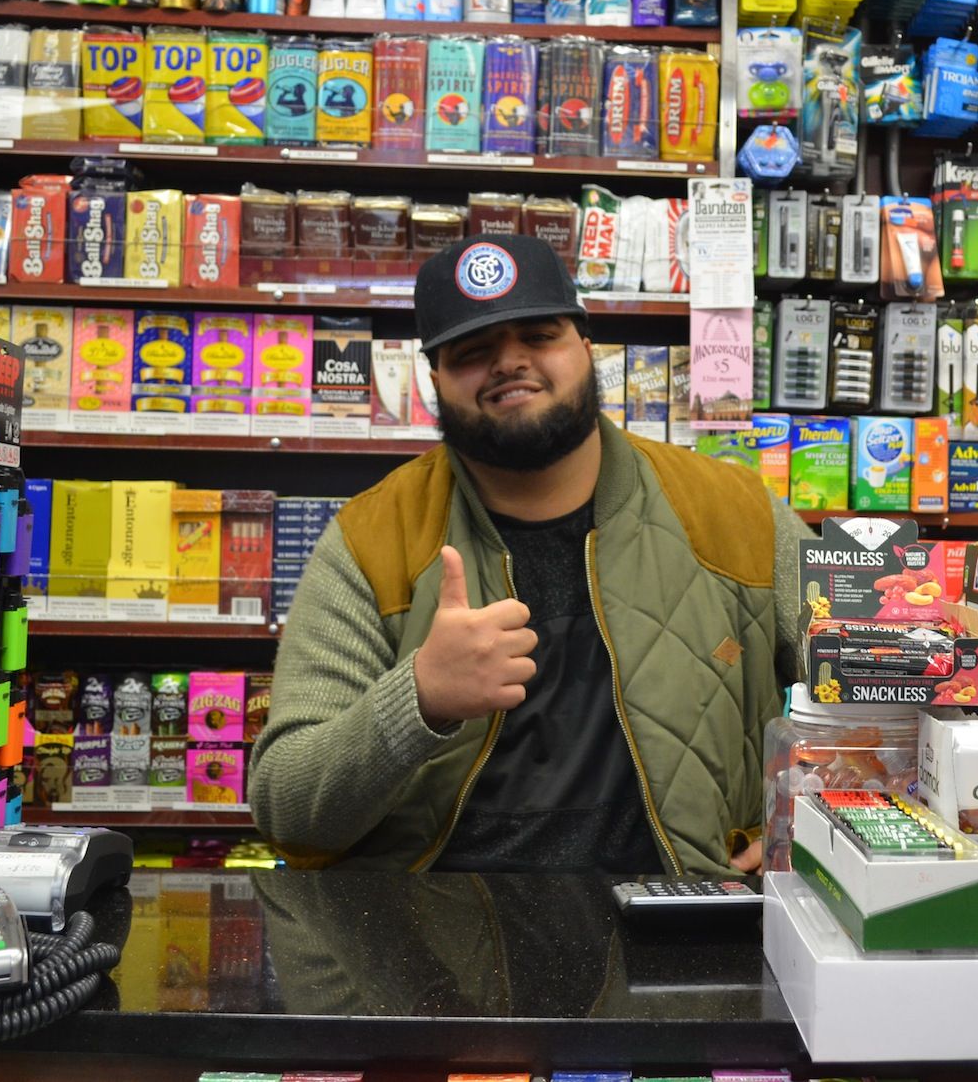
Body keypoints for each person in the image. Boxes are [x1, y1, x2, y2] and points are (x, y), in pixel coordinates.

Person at [250, 234, 808, 875]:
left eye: (539, 336)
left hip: (677, 927)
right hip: (432, 946)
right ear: (434, 380)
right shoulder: (371, 541)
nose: (510, 363)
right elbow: (285, 809)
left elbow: (875, 683)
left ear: (586, 348)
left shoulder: (734, 512)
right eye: (472, 351)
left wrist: (807, 829)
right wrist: (420, 699)